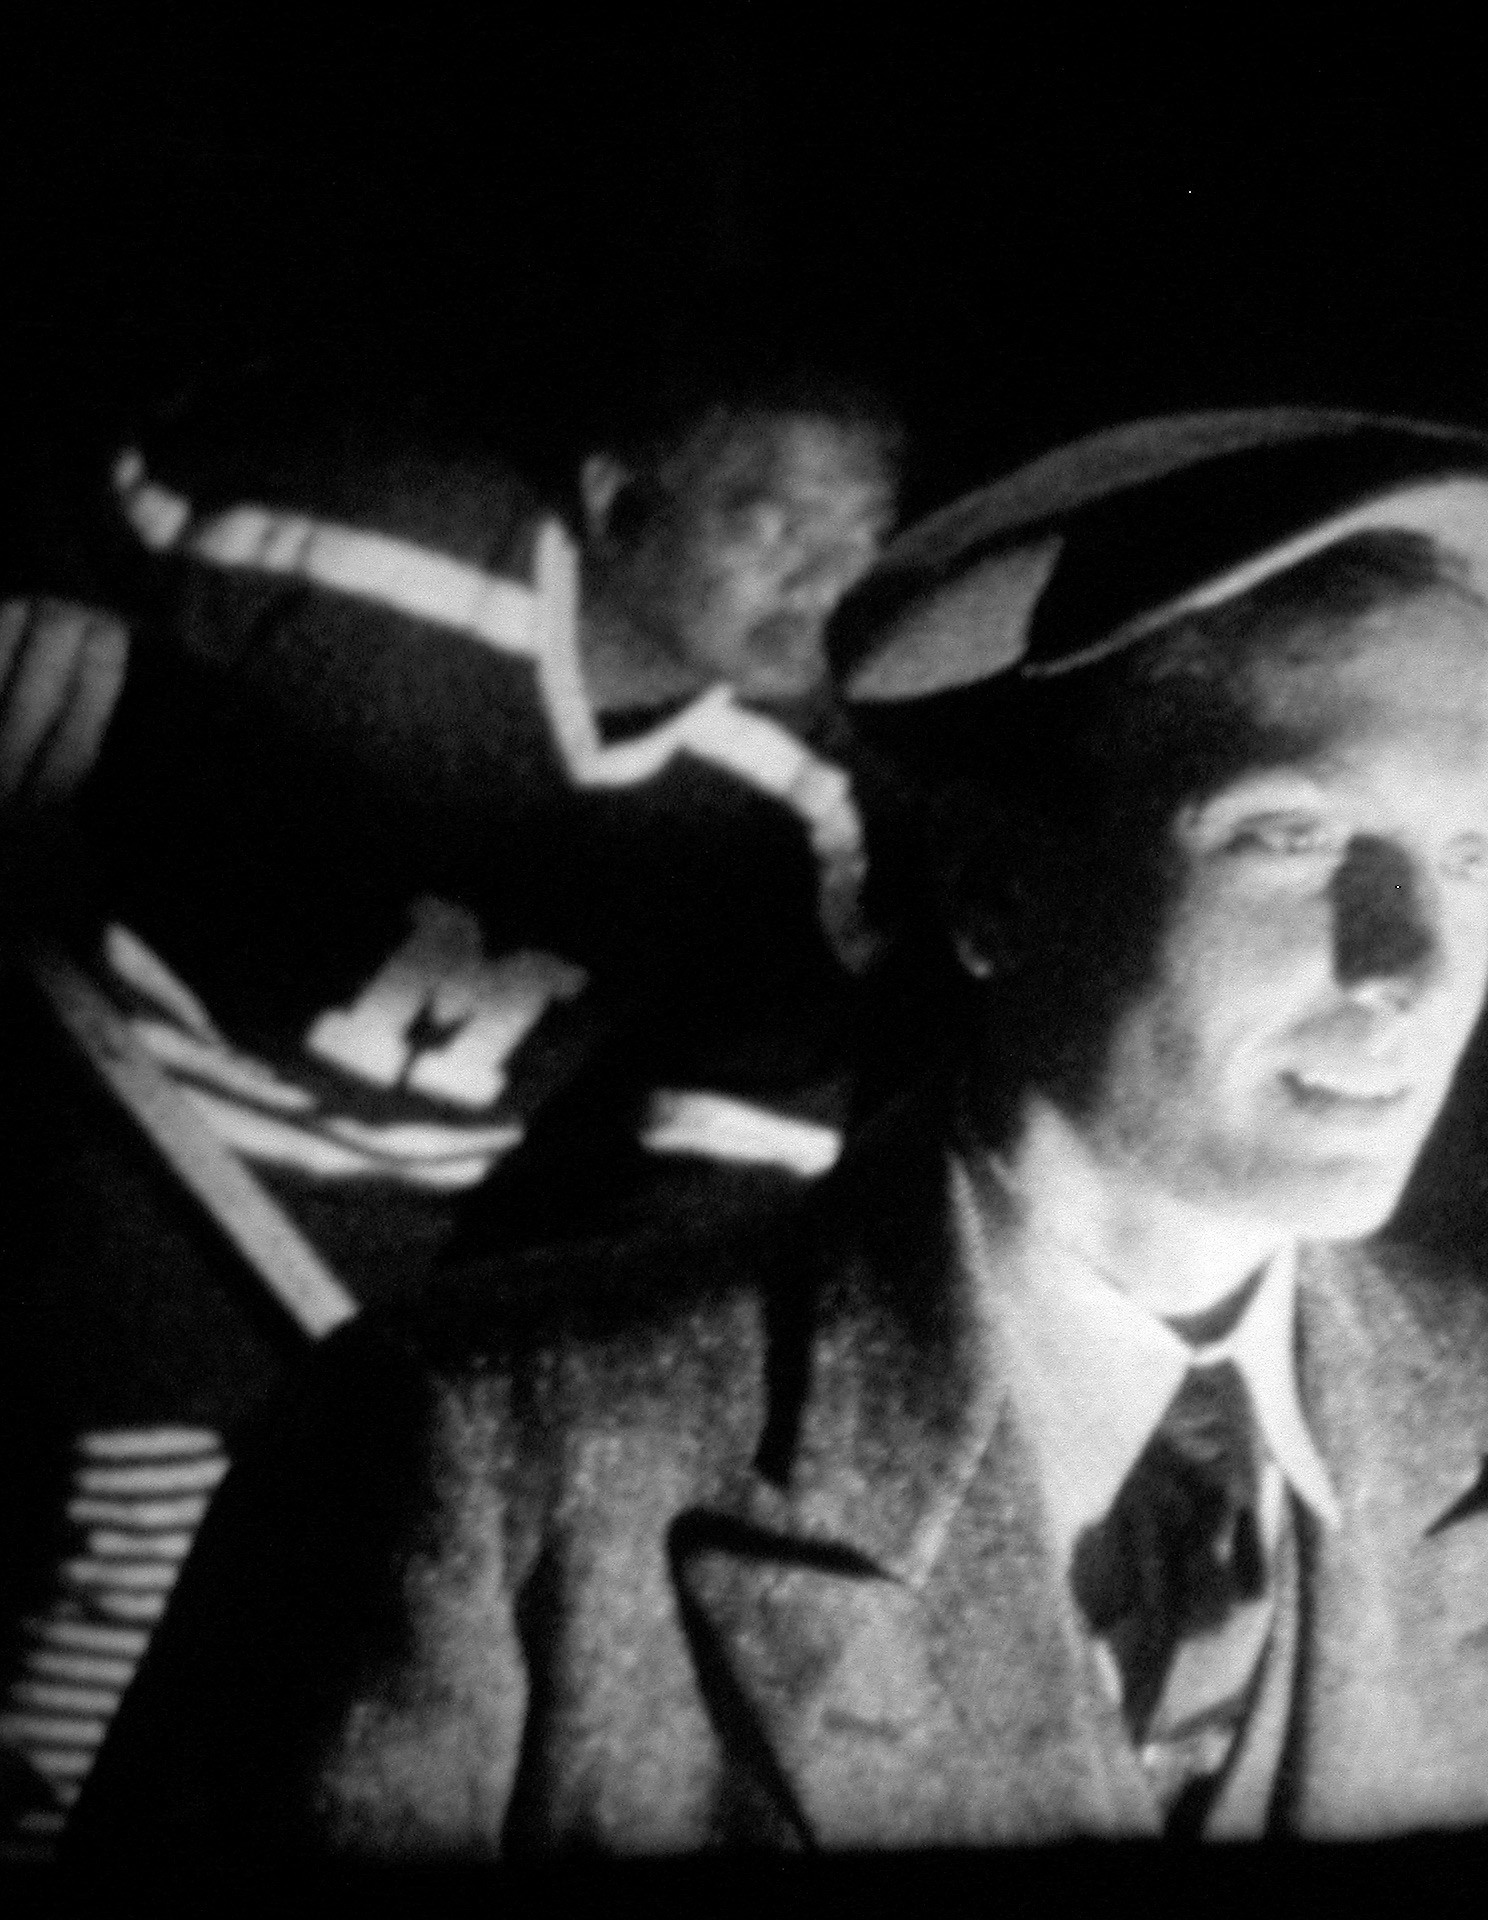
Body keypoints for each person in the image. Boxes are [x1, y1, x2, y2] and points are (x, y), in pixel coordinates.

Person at [66, 409, 1488, 1856]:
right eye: (1291, 836)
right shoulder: (491, 1454)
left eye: (1471, 861)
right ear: (996, 888)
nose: (1412, 966)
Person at [0, 343, 903, 1855]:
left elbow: (725, 1155)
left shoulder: (805, 795)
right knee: (142, 1520)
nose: (829, 582)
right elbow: (67, 478)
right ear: (616, 499)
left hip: (388, 1247)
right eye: (777, 523)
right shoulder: (364, 529)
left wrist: (607, 1367)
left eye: (864, 538)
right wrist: (46, 589)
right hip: (106, 1118)